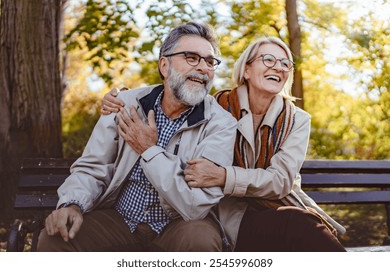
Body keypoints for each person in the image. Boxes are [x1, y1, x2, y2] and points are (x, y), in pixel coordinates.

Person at [102, 36, 346, 252]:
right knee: (293, 227)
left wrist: (223, 176)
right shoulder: (216, 106)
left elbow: (280, 181)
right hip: (228, 216)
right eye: (268, 60)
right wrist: (124, 99)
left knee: (300, 225)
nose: (278, 68)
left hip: (278, 206)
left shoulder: (297, 120)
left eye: (285, 64)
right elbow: (171, 102)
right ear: (247, 70)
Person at [37, 22, 237, 252]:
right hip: (120, 220)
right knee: (55, 237)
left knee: (200, 239)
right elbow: (93, 167)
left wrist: (149, 151)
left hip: (179, 225)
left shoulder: (221, 124)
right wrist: (73, 204)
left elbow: (195, 205)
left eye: (210, 62)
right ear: (165, 65)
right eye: (191, 57)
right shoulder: (125, 103)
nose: (203, 67)